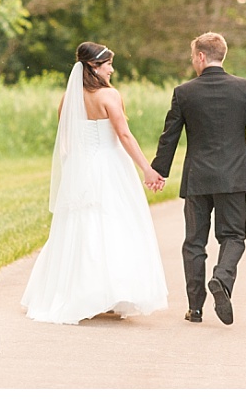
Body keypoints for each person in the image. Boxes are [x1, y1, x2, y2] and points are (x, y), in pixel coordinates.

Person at [21, 42, 169, 324]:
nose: (112, 69)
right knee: (115, 224)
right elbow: (124, 135)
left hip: (80, 166)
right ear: (93, 67)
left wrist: (74, 168)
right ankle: (108, 293)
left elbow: (65, 141)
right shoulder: (110, 96)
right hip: (110, 167)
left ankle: (76, 291)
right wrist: (147, 169)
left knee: (79, 227)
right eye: (107, 64)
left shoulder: (68, 99)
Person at [151, 32, 246, 325]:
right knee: (233, 236)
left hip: (197, 179)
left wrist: (160, 170)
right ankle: (222, 277)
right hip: (234, 177)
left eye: (193, 56)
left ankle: (195, 309)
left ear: (202, 57)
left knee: (194, 242)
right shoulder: (245, 89)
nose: (193, 61)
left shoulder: (184, 92)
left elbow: (170, 136)